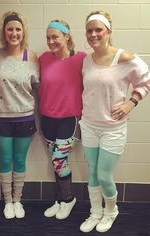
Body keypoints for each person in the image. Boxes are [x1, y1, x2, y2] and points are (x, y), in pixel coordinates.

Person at [79, 10, 150, 233]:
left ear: (109, 31)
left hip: (112, 128)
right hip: (89, 125)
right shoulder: (86, 60)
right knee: (92, 172)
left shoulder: (126, 58)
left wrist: (131, 102)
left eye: (98, 29)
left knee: (103, 175)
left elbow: (145, 82)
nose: (93, 34)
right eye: (89, 30)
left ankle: (111, 211)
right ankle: (95, 212)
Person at [0, 11, 39, 219]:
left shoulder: (32, 56)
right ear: (4, 31)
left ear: (23, 32)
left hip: (25, 117)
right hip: (1, 117)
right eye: (10, 28)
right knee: (5, 160)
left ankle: (18, 200)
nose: (14, 32)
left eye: (18, 29)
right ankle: (7, 202)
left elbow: (39, 87)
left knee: (19, 161)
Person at [38, 19, 86, 219]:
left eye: (55, 36)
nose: (51, 41)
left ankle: (68, 200)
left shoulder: (82, 58)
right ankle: (60, 200)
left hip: (70, 119)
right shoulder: (43, 59)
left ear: (67, 36)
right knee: (56, 160)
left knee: (59, 160)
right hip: (47, 118)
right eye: (48, 37)